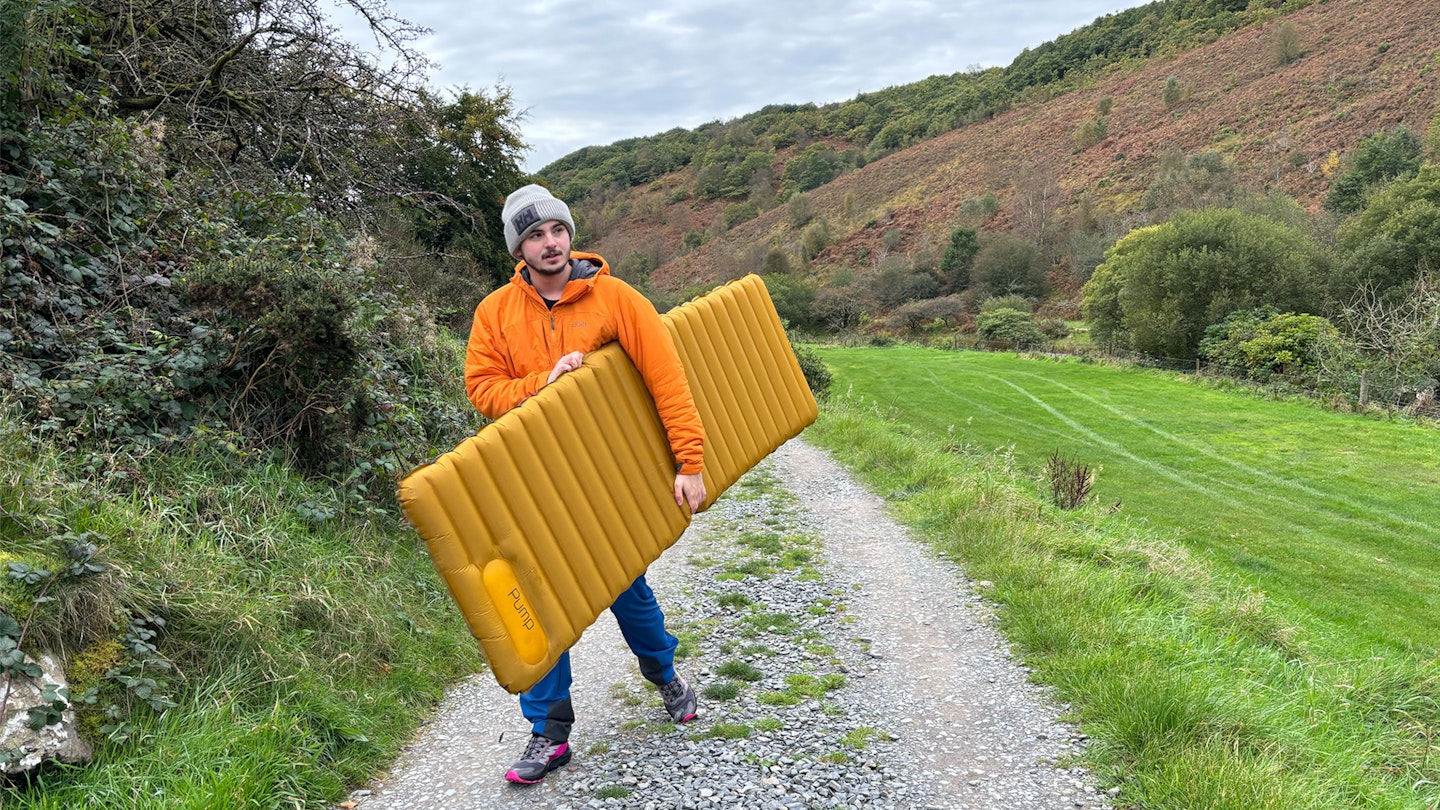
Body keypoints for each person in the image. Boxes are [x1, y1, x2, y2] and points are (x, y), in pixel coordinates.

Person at [465, 184, 706, 785]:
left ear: (570, 234)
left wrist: (690, 460)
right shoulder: (496, 312)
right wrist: (542, 383)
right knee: (545, 598)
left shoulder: (617, 299)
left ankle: (666, 675)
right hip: (536, 481)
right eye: (534, 235)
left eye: (556, 231)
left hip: (607, 478)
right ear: (518, 247)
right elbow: (482, 389)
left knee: (628, 588)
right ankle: (549, 732)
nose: (549, 244)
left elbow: (666, 379)